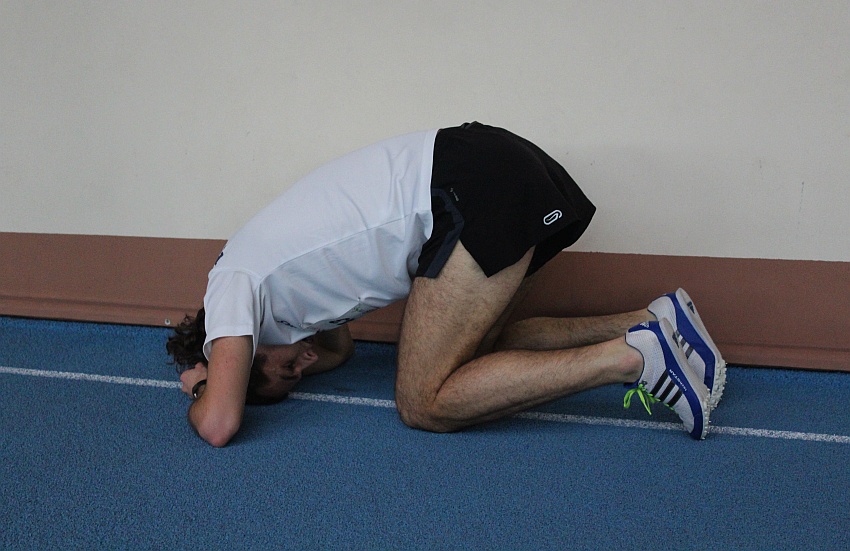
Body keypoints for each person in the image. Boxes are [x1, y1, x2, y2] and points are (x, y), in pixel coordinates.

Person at [167, 122, 726, 447]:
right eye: (299, 372)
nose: (305, 361)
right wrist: (281, 361)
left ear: (236, 352)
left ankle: (631, 358)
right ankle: (653, 322)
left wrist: (203, 383)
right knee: (479, 357)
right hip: (492, 165)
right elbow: (337, 352)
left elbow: (219, 424)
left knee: (423, 402)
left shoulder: (231, 282)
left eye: (287, 366)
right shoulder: (281, 295)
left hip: (466, 189)